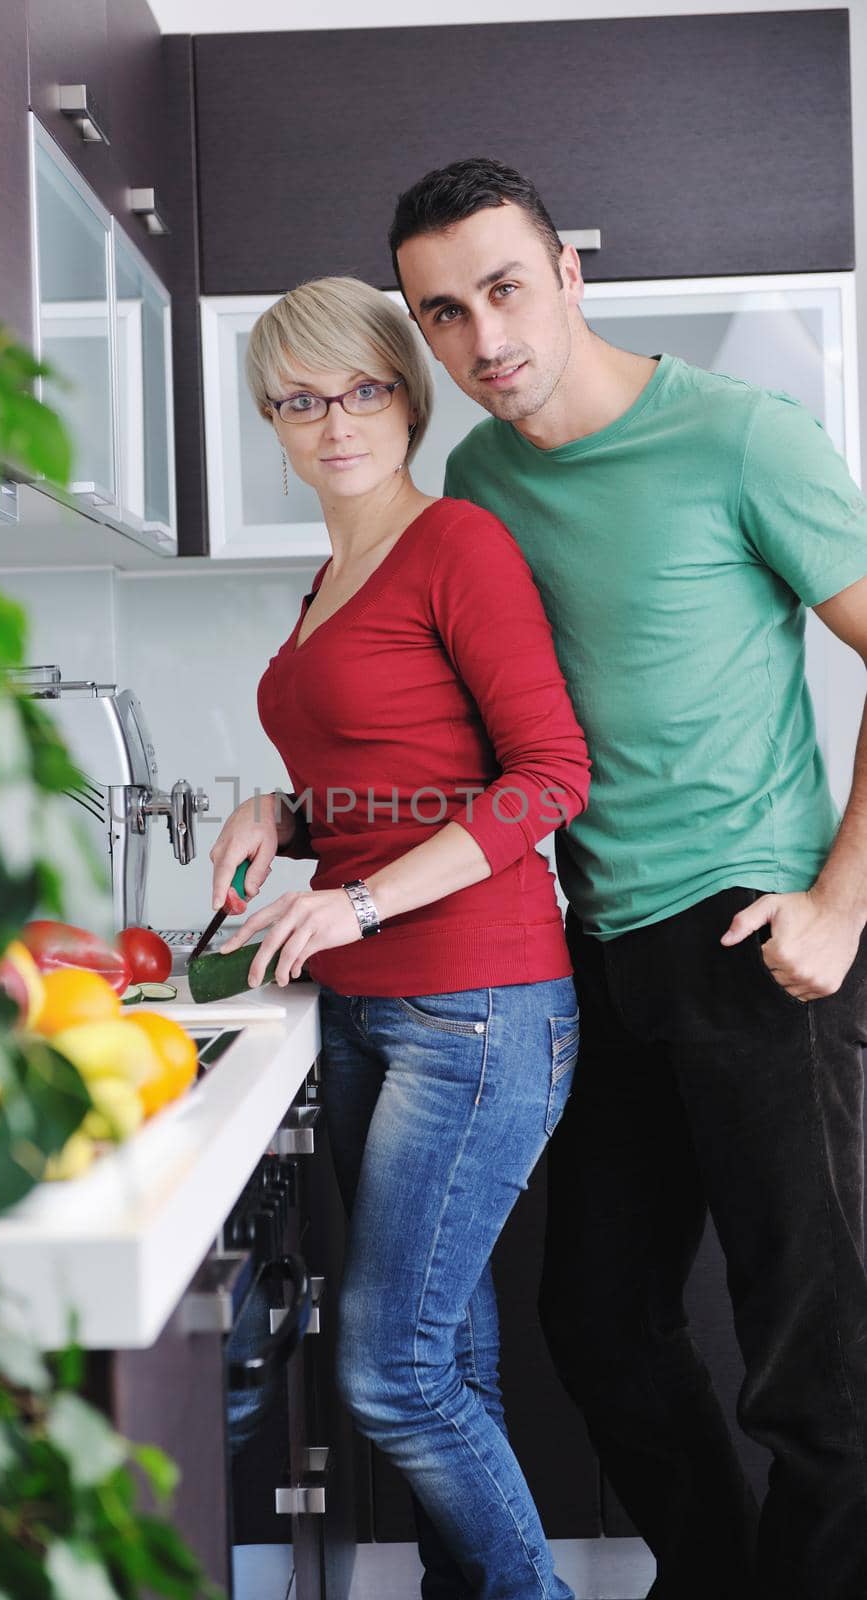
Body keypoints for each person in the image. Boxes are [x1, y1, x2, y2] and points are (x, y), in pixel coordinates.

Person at [389, 155, 867, 1600]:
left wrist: (841, 905)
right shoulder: (476, 479)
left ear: (571, 273)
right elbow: (484, 733)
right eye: (445, 314)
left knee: (815, 1367)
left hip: (758, 938)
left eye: (506, 289)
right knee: (596, 1324)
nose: (485, 339)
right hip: (593, 952)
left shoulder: (741, 441)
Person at [207, 274, 590, 1600]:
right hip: (373, 1007)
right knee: (450, 1356)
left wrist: (358, 902)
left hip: (474, 1008)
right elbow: (410, 776)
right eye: (301, 401)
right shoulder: (339, 569)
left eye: (363, 388)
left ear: (407, 395)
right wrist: (288, 810)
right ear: (273, 419)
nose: (336, 421)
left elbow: (545, 775)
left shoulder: (456, 545)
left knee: (391, 1368)